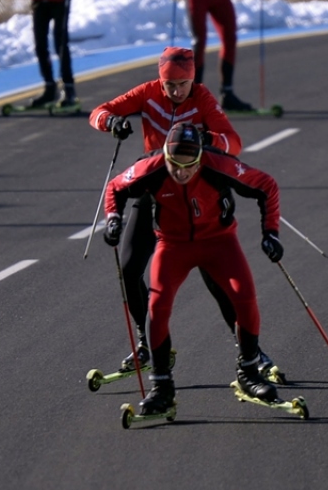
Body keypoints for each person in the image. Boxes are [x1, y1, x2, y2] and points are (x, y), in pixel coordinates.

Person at [88, 46, 277, 379]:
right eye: (169, 85)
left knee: (216, 280)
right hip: (156, 189)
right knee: (130, 268)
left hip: (197, 193)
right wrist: (112, 121)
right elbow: (98, 112)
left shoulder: (202, 98)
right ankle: (149, 342)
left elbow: (234, 142)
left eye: (182, 84)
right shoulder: (148, 93)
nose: (176, 91)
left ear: (193, 79)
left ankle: (251, 351)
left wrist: (210, 139)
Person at [103, 122, 284, 416]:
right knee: (158, 307)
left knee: (245, 297)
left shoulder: (218, 165)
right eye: (175, 165)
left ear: (201, 157)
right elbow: (115, 188)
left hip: (220, 242)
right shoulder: (152, 168)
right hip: (172, 246)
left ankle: (250, 373)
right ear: (166, 156)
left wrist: (271, 232)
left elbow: (266, 185)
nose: (182, 172)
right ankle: (161, 387)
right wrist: (113, 219)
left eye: (190, 166)